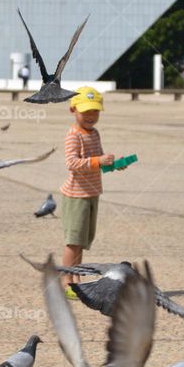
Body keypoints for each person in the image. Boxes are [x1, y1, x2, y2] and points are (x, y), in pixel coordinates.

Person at [59, 86, 121, 297]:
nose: (91, 117)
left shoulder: (94, 134)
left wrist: (114, 164)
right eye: (86, 112)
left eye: (95, 111)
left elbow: (99, 163)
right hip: (76, 195)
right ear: (73, 110)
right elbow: (72, 163)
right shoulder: (73, 135)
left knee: (83, 242)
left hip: (92, 193)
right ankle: (67, 281)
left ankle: (76, 277)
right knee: (73, 241)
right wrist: (98, 161)